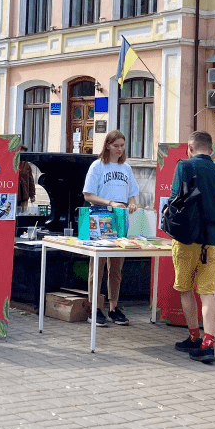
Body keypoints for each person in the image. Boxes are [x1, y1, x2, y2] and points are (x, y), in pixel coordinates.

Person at [169, 131, 215, 364]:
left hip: (186, 240)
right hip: (212, 241)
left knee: (185, 289)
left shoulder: (184, 166)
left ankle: (194, 335)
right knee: (207, 293)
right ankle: (208, 343)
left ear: (190, 147)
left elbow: (177, 199)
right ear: (210, 149)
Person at [82, 130, 140, 326]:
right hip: (99, 217)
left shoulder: (127, 169)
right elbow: (87, 194)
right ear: (107, 145)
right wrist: (110, 202)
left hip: (120, 218)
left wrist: (132, 203)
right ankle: (95, 308)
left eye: (122, 146)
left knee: (116, 267)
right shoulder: (97, 166)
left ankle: (114, 307)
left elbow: (132, 193)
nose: (120, 149)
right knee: (96, 266)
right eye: (116, 145)